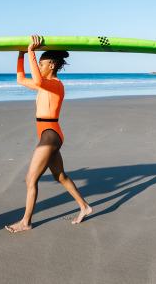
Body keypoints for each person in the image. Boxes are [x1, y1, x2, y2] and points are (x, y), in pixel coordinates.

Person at [5, 35, 92, 233]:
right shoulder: (43, 84)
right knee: (60, 176)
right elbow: (20, 79)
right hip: (49, 134)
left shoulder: (55, 85)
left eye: (42, 64)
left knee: (30, 179)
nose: (39, 67)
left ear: (51, 65)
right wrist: (20, 54)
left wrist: (30, 52)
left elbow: (36, 78)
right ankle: (85, 207)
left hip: (50, 135)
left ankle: (26, 222)